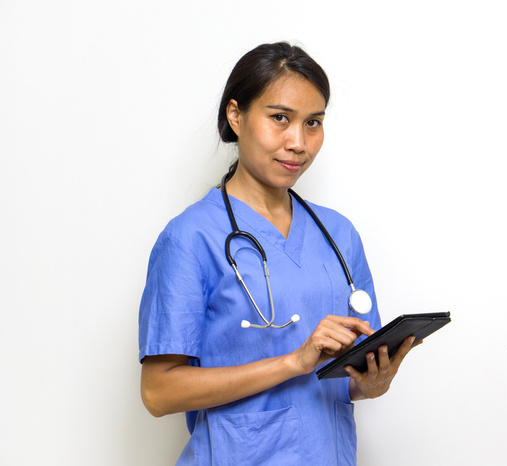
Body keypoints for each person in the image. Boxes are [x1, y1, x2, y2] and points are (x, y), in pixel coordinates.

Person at [138, 42, 416, 465]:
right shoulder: (191, 238)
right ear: (236, 116)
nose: (298, 143)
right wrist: (293, 362)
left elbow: (350, 378)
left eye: (313, 123)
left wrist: (372, 382)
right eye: (280, 119)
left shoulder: (338, 234)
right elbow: (158, 392)